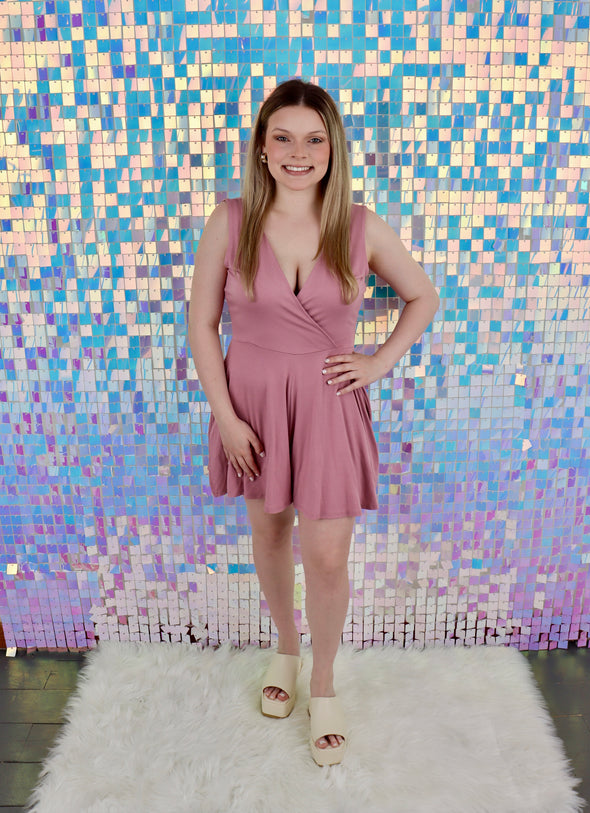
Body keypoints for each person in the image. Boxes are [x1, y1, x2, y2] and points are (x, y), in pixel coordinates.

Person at [188, 78, 439, 767]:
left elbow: (422, 295)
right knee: (269, 534)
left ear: (333, 150)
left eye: (313, 139)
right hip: (252, 408)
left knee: (327, 556)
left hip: (328, 407)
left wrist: (378, 361)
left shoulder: (359, 225)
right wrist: (225, 417)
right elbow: (202, 323)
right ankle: (286, 649)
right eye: (283, 137)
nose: (298, 152)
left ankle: (323, 682)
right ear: (262, 148)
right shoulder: (229, 221)